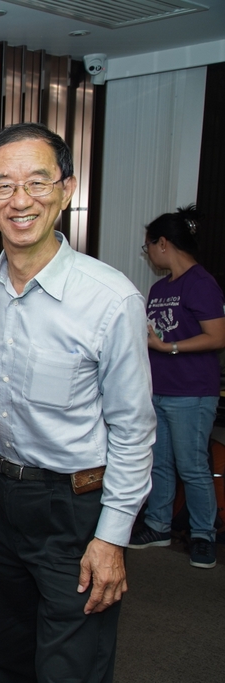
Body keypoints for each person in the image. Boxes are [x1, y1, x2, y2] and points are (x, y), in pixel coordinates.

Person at [0, 122, 156, 682]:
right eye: (3, 185)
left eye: (37, 182)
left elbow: (134, 429)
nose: (20, 200)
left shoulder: (110, 299)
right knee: (5, 651)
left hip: (75, 504)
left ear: (66, 190)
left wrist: (112, 537)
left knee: (73, 663)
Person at [128, 205, 225, 568]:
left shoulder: (201, 283)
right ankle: (158, 525)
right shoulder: (158, 288)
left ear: (163, 243)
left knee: (192, 466)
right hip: (160, 389)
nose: (148, 253)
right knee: (160, 463)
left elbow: (217, 336)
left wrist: (168, 346)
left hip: (192, 392)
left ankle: (203, 535)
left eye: (148, 246)